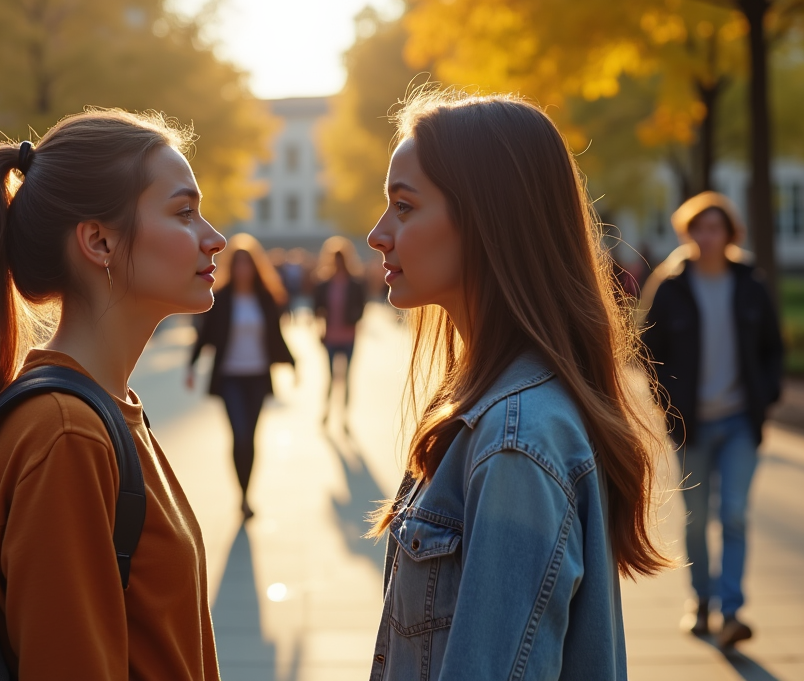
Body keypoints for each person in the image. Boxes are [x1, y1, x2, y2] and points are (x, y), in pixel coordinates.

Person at [0, 110, 226, 679]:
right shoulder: (66, 435)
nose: (214, 237)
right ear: (98, 241)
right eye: (184, 212)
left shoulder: (95, 410)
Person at [365, 91, 668, 680]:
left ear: (486, 218)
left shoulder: (515, 438)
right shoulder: (496, 406)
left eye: (404, 207)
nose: (378, 234)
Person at [642, 191, 782, 649]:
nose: (706, 237)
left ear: (729, 234)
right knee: (697, 518)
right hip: (692, 426)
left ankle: (731, 610)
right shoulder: (671, 286)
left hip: (741, 421)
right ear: (688, 234)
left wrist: (768, 394)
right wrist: (667, 406)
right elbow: (647, 353)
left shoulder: (750, 284)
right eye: (698, 228)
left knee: (735, 513)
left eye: (715, 228)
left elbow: (771, 348)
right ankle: (701, 601)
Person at [187, 233, 294, 520]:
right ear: (231, 267)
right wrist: (191, 366)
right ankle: (243, 497)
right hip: (230, 377)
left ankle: (247, 494)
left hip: (258, 376)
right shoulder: (220, 299)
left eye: (248, 264)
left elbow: (276, 335)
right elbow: (205, 335)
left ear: (255, 266)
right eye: (238, 264)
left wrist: (293, 363)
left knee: (252, 438)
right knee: (240, 435)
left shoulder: (265, 297)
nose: (243, 270)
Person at [312, 236, 367, 430]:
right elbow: (317, 308)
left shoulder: (355, 283)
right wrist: (318, 327)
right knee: (330, 376)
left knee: (346, 377)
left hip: (348, 335)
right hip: (330, 336)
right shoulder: (324, 283)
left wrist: (354, 318)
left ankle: (344, 416)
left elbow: (362, 307)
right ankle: (327, 411)